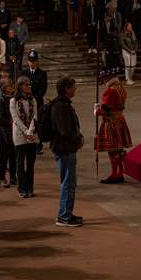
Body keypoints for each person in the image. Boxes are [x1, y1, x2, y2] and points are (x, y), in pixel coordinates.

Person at [51, 76, 84, 227]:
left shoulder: (63, 104)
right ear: (66, 89)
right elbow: (65, 130)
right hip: (65, 148)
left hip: (66, 147)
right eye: (73, 87)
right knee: (68, 183)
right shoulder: (60, 106)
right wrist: (77, 141)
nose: (75, 89)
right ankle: (64, 216)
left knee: (70, 182)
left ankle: (67, 212)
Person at [94, 77, 132, 184]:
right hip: (120, 120)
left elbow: (106, 111)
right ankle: (120, 173)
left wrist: (96, 110)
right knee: (119, 150)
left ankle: (114, 174)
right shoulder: (121, 88)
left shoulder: (110, 91)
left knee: (112, 150)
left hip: (111, 122)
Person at [10, 76, 38, 198]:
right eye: (26, 85)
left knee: (30, 164)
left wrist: (30, 131)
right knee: (20, 163)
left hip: (31, 135)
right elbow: (15, 118)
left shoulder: (33, 100)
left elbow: (35, 116)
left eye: (29, 85)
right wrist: (26, 131)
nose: (29, 87)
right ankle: (22, 188)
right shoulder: (13, 101)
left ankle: (30, 187)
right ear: (20, 86)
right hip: (20, 135)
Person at [0, 78, 16, 188]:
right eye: (9, 86)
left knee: (13, 155)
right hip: (4, 133)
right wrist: (11, 123)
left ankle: (13, 177)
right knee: (4, 157)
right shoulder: (1, 101)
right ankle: (2, 178)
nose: (12, 88)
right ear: (4, 89)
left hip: (13, 132)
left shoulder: (13, 99)